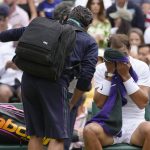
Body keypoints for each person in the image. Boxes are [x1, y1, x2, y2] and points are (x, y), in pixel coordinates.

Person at [0, 5, 98, 150]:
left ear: (68, 16)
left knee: (35, 135)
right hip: (55, 85)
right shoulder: (89, 42)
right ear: (87, 25)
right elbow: (85, 79)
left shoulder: (46, 27)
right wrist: (73, 102)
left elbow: (13, 34)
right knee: (58, 137)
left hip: (28, 81)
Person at [83, 34, 150, 150]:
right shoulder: (101, 68)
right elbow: (99, 103)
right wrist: (109, 74)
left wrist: (126, 76)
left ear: (129, 50)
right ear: (108, 52)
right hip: (108, 122)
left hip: (135, 122)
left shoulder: (141, 67)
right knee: (89, 131)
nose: (119, 58)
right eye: (115, 54)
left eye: (123, 53)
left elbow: (142, 103)